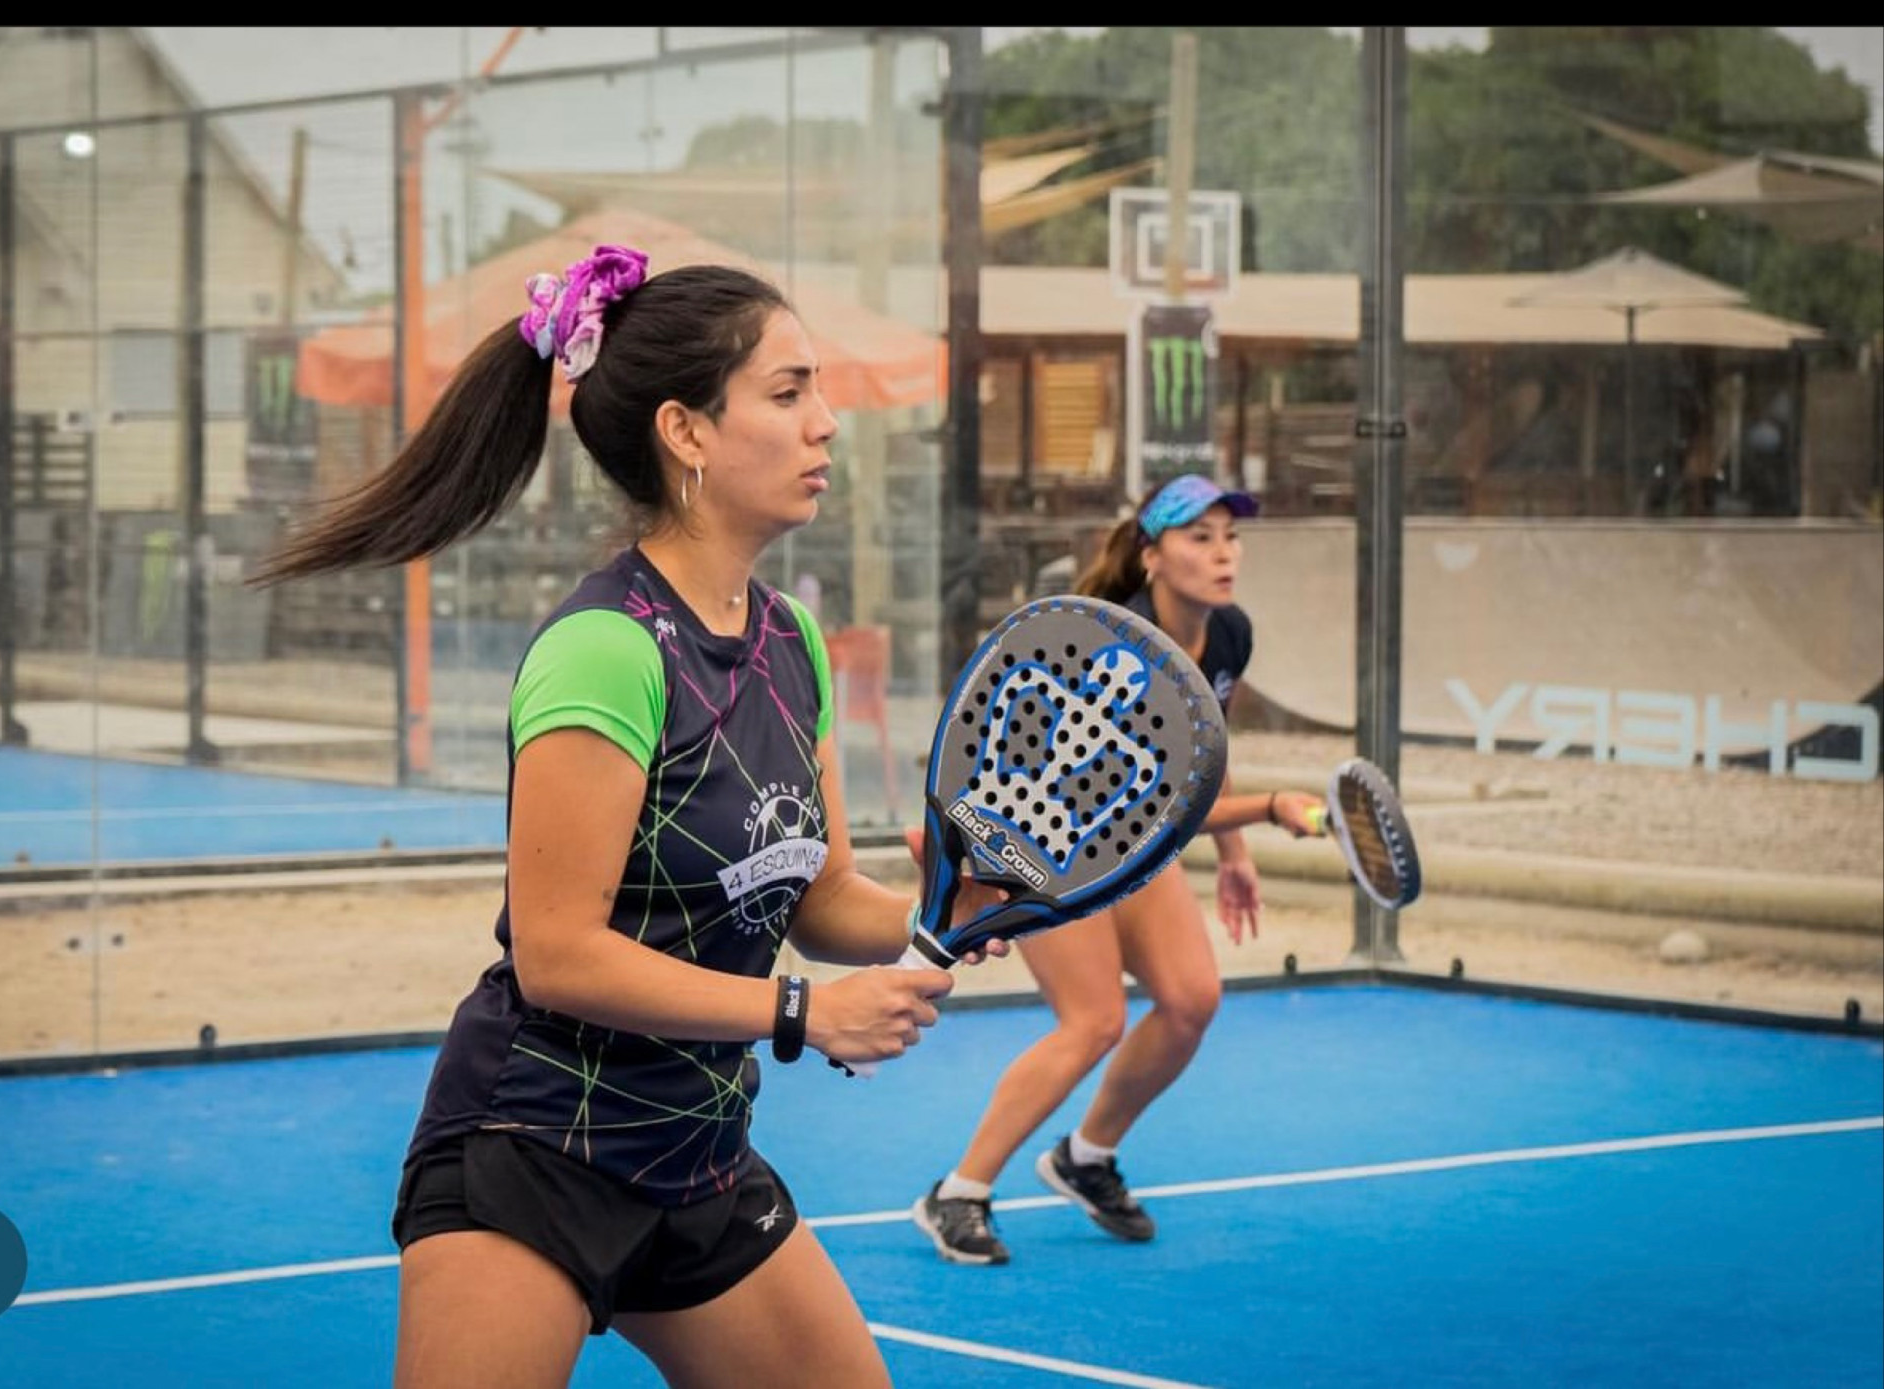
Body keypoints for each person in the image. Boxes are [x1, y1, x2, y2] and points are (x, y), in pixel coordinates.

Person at [253, 244, 1000, 1387]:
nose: (825, 424)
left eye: (817, 392)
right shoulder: (604, 650)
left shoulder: (789, 638)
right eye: (787, 392)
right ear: (685, 431)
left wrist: (939, 910)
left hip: (698, 1150)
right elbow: (556, 955)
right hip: (536, 1147)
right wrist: (801, 1012)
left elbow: (819, 897)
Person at [910, 471, 1327, 1267]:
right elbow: (1165, 803)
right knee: (1094, 1020)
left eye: (1231, 536)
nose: (1224, 552)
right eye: (1199, 537)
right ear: (1151, 556)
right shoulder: (1121, 648)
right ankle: (958, 1191)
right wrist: (1272, 809)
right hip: (1048, 847)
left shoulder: (1229, 634)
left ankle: (1086, 1156)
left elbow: (1205, 757)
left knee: (1191, 999)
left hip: (1124, 845)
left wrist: (1235, 855)